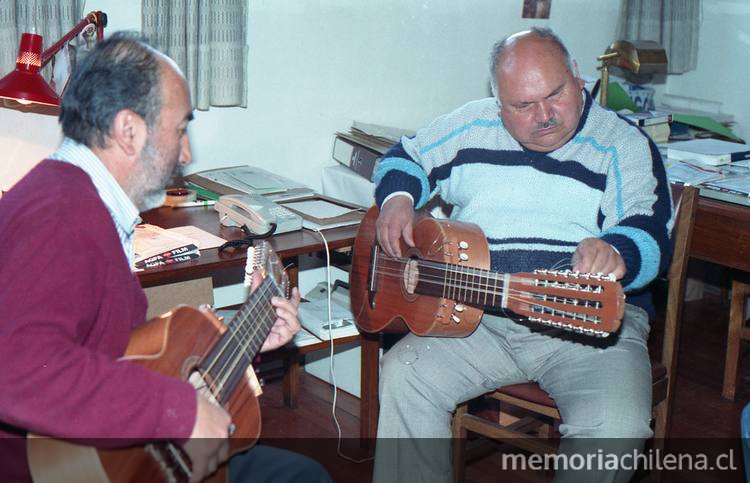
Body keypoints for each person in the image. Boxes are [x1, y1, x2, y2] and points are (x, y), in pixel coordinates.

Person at [0, 32, 330, 483]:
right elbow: (16, 367)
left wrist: (246, 340)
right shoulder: (61, 216)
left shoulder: (82, 202)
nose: (187, 153)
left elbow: (121, 357)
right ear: (129, 131)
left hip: (114, 452)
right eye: (180, 129)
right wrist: (177, 411)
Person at [371, 27, 673, 482]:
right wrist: (398, 198)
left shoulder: (623, 144)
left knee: (615, 426)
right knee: (403, 374)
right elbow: (404, 157)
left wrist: (617, 251)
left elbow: (649, 232)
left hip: (586, 326)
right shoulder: (472, 125)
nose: (545, 115)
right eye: (523, 106)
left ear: (577, 76)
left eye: (556, 94)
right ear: (498, 104)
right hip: (478, 314)